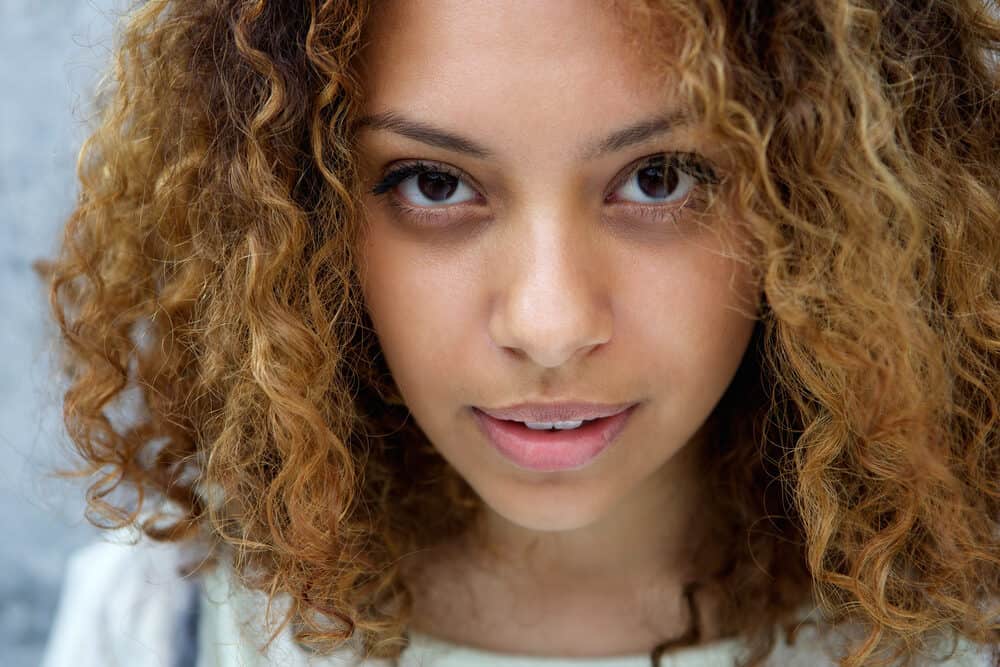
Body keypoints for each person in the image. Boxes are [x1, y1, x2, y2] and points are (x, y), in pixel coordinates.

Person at [37, 0, 1000, 665]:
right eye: (435, 182)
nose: (549, 325)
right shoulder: (165, 622)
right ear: (302, 207)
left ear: (832, 198)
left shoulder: (965, 620)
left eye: (660, 178)